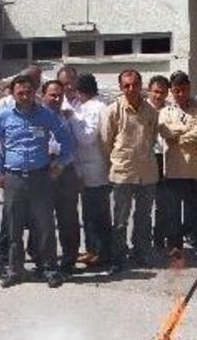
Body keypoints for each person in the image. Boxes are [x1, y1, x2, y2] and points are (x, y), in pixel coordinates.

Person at [0, 75, 74, 288]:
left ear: (35, 93)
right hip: (13, 178)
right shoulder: (3, 116)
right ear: (13, 93)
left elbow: (68, 142)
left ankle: (49, 269)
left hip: (40, 179)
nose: (25, 97)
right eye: (20, 93)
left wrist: (60, 164)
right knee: (13, 227)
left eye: (28, 92)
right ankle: (15, 270)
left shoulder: (46, 115)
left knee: (44, 225)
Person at [101, 69, 160, 273]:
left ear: (141, 85)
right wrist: (119, 159)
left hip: (147, 172)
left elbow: (152, 138)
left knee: (144, 217)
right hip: (123, 172)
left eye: (135, 84)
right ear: (121, 87)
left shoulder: (151, 111)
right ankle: (118, 257)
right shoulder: (113, 110)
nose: (131, 89)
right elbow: (105, 142)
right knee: (120, 219)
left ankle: (141, 252)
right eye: (126, 85)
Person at [159, 71, 197, 264]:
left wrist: (178, 136)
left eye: (184, 89)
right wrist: (183, 132)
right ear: (172, 91)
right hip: (174, 170)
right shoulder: (165, 111)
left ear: (190, 88)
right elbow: (166, 132)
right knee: (173, 213)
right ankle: (175, 251)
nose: (180, 94)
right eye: (176, 90)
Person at [70, 73, 112, 269]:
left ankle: (100, 253)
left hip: (95, 168)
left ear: (80, 91)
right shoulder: (84, 106)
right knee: (89, 214)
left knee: (97, 215)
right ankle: (93, 250)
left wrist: (72, 119)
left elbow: (87, 137)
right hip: (86, 167)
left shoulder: (96, 108)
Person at [42, 80, 82, 275]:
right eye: (52, 95)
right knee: (43, 219)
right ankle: (45, 261)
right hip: (43, 172)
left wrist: (62, 163)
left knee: (68, 219)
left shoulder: (67, 118)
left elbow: (74, 146)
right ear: (43, 96)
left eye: (60, 95)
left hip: (65, 172)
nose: (57, 99)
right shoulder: (36, 117)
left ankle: (69, 260)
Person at [146, 74, 171, 251]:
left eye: (162, 92)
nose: (158, 95)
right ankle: (143, 240)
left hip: (165, 158)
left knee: (163, 202)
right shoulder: (143, 108)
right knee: (145, 202)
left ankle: (159, 238)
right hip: (147, 158)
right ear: (149, 91)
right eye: (155, 91)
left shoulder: (170, 109)